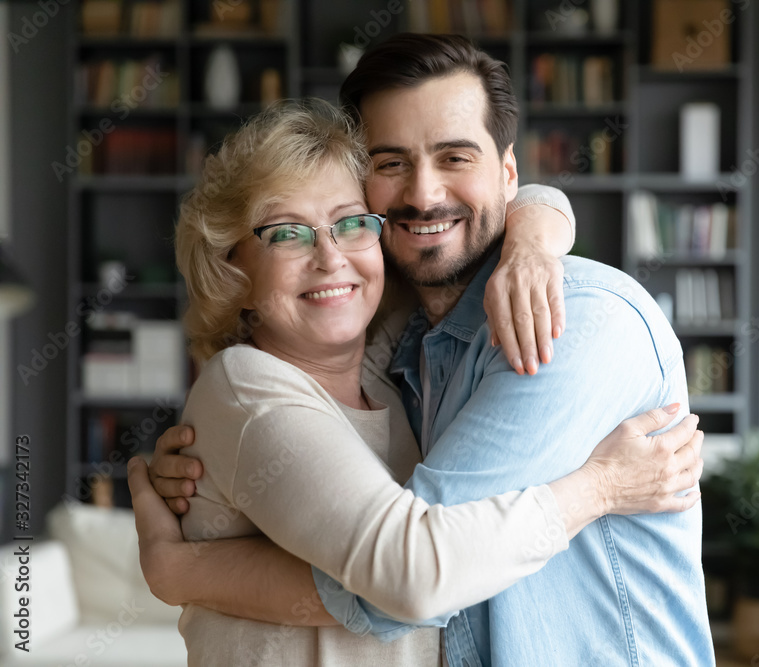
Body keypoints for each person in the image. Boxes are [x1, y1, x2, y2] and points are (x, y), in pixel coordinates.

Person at [135, 34, 713, 666]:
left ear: (510, 173)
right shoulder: (400, 347)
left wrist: (183, 570)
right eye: (390, 163)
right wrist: (600, 487)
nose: (424, 194)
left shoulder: (569, 320)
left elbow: (408, 582)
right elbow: (413, 572)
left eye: (456, 156)